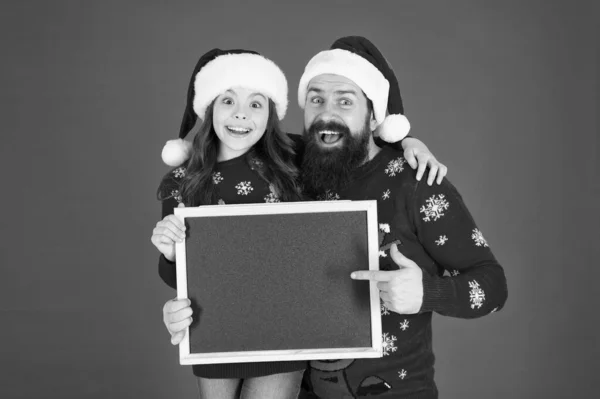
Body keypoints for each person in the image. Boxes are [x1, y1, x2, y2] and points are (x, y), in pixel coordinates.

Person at [151, 46, 448, 399]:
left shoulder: (292, 158)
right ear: (208, 107)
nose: (240, 116)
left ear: (271, 113)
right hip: (219, 328)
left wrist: (409, 142)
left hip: (286, 332)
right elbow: (180, 279)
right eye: (227, 101)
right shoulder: (182, 180)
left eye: (256, 105)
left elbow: (348, 140)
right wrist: (170, 255)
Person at [294, 36, 508, 398]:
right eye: (316, 99)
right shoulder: (286, 171)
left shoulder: (416, 184)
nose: (326, 114)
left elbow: (493, 287)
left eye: (345, 101)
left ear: (375, 114)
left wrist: (429, 292)